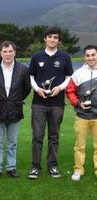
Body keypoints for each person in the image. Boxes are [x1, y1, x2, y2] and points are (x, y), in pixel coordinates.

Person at [28, 27, 73, 179]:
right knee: (37, 136)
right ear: (45, 39)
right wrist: (37, 89)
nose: (52, 39)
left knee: (54, 136)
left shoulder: (65, 57)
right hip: (39, 102)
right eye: (50, 37)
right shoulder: (36, 56)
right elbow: (31, 77)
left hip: (57, 103)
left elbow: (68, 77)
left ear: (58, 40)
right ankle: (35, 167)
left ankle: (52, 166)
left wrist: (60, 88)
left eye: (55, 37)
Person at [0, 41, 31, 179]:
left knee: (12, 142)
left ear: (15, 52)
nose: (7, 54)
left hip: (15, 109)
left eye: (10, 51)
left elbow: (27, 88)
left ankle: (11, 167)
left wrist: (16, 99)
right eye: (5, 52)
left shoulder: (23, 69)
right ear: (0, 53)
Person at [66, 45, 97, 181]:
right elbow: (70, 91)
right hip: (82, 116)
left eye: (93, 55)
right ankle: (78, 170)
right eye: (88, 55)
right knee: (80, 145)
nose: (90, 58)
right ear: (85, 57)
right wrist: (78, 103)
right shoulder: (78, 73)